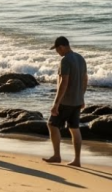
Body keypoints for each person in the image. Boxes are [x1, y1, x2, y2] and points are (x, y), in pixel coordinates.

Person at [43, 36, 88, 167]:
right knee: (75, 129)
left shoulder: (65, 60)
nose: (57, 53)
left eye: (57, 50)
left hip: (66, 101)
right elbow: (85, 79)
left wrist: (56, 103)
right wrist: (81, 97)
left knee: (52, 125)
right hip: (77, 100)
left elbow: (64, 82)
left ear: (61, 47)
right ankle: (77, 160)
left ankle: (57, 155)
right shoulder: (80, 58)